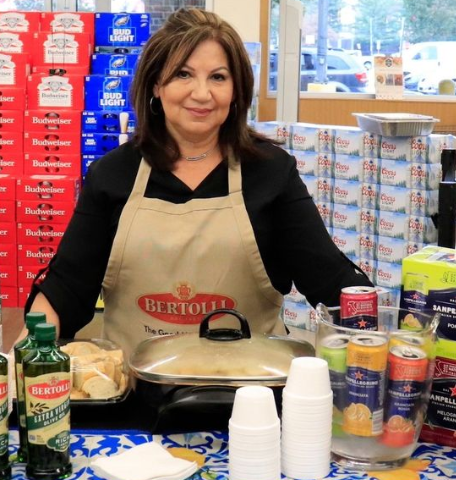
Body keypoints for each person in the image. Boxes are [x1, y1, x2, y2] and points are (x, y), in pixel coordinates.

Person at [24, 8, 371, 354]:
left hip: (248, 395)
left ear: (236, 90)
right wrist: (25, 353)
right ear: (156, 84)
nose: (202, 93)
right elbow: (66, 288)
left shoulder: (271, 173)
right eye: (183, 74)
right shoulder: (113, 175)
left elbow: (330, 279)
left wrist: (381, 334)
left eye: (218, 77)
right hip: (135, 393)